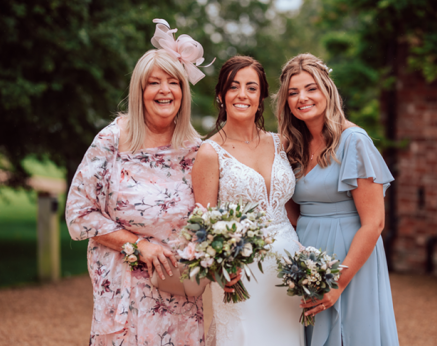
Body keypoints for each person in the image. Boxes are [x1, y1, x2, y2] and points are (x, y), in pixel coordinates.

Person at [65, 19, 210, 346]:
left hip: (179, 291)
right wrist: (138, 244)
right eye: (154, 83)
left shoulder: (197, 150)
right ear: (140, 91)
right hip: (124, 289)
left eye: (173, 82)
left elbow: (209, 215)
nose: (164, 90)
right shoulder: (113, 139)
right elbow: (78, 212)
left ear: (183, 92)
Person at [276, 52, 399, 346]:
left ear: (327, 91)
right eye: (293, 93)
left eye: (311, 88)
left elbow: (375, 222)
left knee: (350, 335)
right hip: (307, 255)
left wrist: (338, 282)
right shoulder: (293, 146)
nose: (302, 98)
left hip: (349, 258)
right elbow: (291, 209)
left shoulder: (354, 141)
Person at [192, 56, 304, 346]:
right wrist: (221, 268)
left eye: (251, 87)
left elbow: (290, 208)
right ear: (221, 95)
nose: (243, 95)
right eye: (234, 87)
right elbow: (202, 225)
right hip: (240, 271)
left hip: (287, 265)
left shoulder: (282, 143)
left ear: (262, 95)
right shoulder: (209, 152)